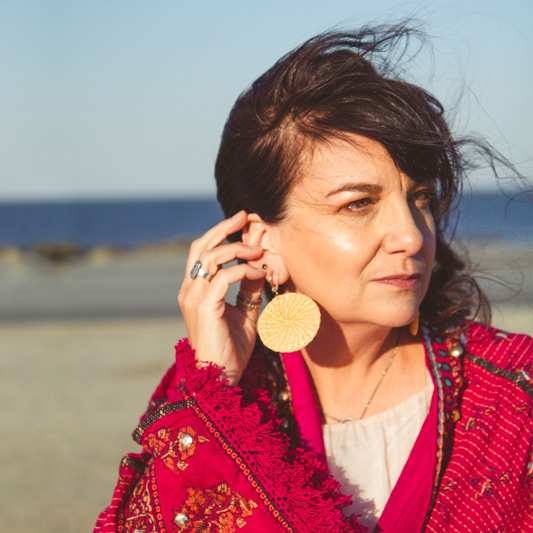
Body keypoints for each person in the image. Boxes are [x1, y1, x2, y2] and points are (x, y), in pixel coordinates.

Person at [94, 25, 532, 532]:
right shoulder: (215, 399)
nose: (411, 237)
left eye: (420, 199)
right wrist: (212, 386)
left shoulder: (512, 396)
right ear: (263, 240)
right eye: (358, 204)